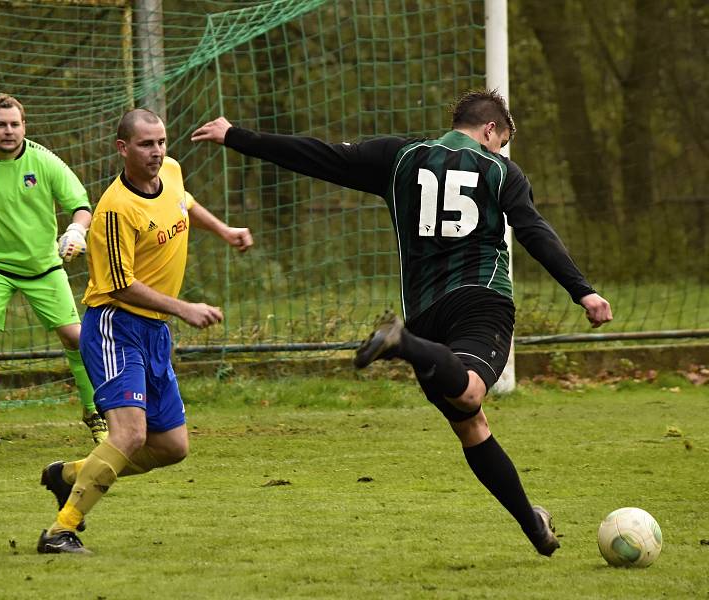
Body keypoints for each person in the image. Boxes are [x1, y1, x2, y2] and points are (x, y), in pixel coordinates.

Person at [191, 89, 613, 557]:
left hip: (426, 312)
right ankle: (401, 342)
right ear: (491, 130)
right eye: (501, 141)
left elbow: (317, 156)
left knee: (471, 424)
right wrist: (582, 289)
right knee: (472, 391)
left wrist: (236, 136)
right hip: (480, 300)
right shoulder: (500, 171)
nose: (499, 151)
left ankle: (532, 522)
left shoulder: (399, 157)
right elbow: (533, 230)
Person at [36, 108, 253, 554]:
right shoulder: (114, 209)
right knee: (130, 434)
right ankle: (61, 531)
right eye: (145, 144)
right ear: (123, 149)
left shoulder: (171, 171)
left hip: (154, 332)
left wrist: (225, 230)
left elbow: (184, 203)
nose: (156, 153)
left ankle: (73, 475)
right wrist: (184, 308)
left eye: (161, 143)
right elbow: (121, 285)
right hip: (117, 327)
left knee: (173, 447)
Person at [0, 93, 108, 449]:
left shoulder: (45, 162)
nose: (8, 131)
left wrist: (75, 231)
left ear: (24, 126)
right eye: (1, 124)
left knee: (77, 338)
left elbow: (80, 206)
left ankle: (95, 413)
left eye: (15, 124)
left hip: (44, 267)